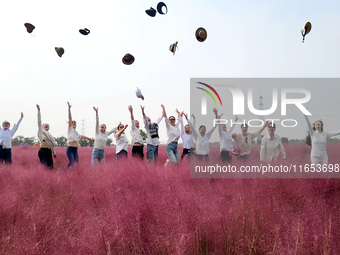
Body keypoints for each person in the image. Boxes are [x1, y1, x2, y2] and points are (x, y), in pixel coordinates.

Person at [66, 102, 94, 167]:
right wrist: (69, 109)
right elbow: (70, 118)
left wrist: (91, 139)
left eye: (75, 123)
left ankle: (72, 173)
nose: (73, 123)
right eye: (72, 122)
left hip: (75, 149)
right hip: (70, 148)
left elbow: (82, 136)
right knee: (72, 163)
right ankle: (66, 172)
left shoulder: (76, 133)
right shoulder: (70, 130)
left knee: (76, 163)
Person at [36, 105, 56, 169]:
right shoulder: (41, 131)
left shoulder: (50, 136)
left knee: (51, 167)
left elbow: (51, 145)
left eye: (48, 125)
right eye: (45, 125)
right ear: (42, 126)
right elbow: (39, 121)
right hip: (42, 151)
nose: (46, 125)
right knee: (45, 166)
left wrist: (54, 153)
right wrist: (39, 111)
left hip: (49, 151)